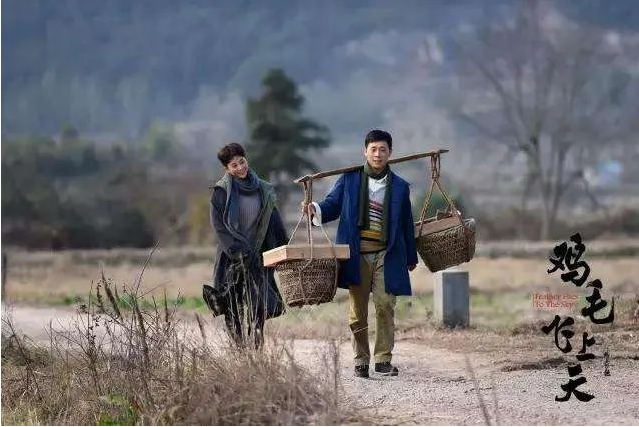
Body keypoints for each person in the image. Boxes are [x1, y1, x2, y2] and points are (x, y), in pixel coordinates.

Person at [304, 129, 417, 378]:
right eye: (373, 149)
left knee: (385, 305)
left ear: (390, 153)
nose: (378, 154)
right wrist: (314, 208)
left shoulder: (399, 187)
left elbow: (407, 224)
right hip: (356, 255)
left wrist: (411, 257)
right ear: (365, 151)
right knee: (357, 312)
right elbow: (332, 205)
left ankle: (383, 359)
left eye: (383, 149)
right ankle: (361, 360)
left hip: (387, 254)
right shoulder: (349, 179)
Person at [203, 142, 287, 348]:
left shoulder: (263, 189)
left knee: (259, 304)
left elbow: (273, 219)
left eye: (242, 162)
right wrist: (238, 252)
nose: (240, 167)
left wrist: (284, 245)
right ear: (226, 168)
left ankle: (256, 346)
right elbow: (219, 228)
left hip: (257, 255)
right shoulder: (220, 192)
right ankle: (240, 350)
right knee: (232, 306)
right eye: (234, 165)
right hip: (231, 257)